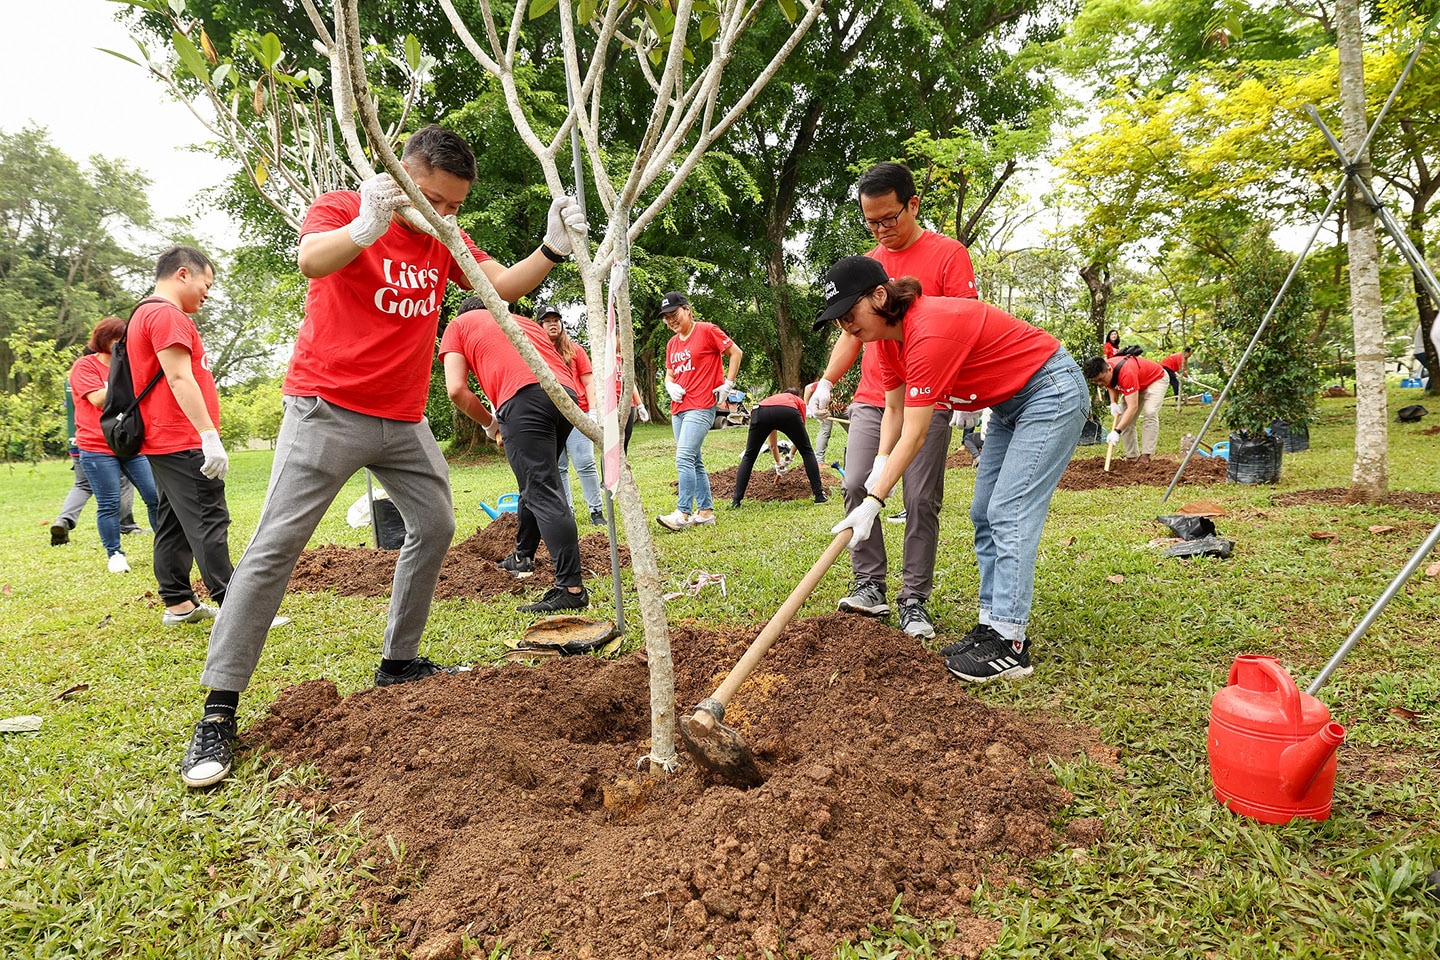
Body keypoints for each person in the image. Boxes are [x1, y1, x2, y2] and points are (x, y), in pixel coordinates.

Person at [179, 125, 587, 790]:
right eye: (432, 199)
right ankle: (220, 708)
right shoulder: (344, 208)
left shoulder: (442, 235)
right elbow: (312, 259)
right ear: (401, 173)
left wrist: (551, 248)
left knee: (437, 524)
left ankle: (399, 661)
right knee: (275, 548)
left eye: (455, 206)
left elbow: (499, 288)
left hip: (401, 422)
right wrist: (368, 225)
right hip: (325, 411)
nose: (442, 214)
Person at [817, 255, 1087, 683]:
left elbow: (918, 432)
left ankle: (1010, 644)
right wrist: (880, 464)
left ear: (880, 296)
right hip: (1006, 403)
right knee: (983, 513)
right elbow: (893, 409)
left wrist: (873, 500)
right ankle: (991, 626)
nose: (847, 327)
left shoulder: (928, 330)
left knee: (1009, 511)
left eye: (851, 315)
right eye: (839, 321)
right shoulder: (886, 341)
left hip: (1048, 391)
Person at [805, 161, 977, 639]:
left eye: (889, 219)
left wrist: (964, 394)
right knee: (858, 480)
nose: (881, 230)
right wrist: (827, 380)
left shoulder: (948, 256)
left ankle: (914, 598)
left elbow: (964, 322)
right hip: (876, 393)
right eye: (871, 221)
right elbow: (853, 332)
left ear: (913, 205)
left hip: (929, 396)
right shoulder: (868, 262)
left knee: (919, 497)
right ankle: (869, 584)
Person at [443, 298, 590, 614]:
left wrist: (490, 424)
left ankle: (571, 588)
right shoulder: (521, 320)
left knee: (542, 489)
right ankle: (522, 558)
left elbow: (456, 389)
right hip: (565, 395)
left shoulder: (459, 325)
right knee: (533, 482)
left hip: (524, 398)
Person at [126, 246, 238, 627]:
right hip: (182, 437)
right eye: (206, 284)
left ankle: (178, 605)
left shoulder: (145, 312)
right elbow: (178, 377)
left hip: (163, 439)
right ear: (183, 274)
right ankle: (238, 608)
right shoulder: (166, 315)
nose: (207, 293)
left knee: (173, 521)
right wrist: (208, 435)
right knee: (209, 518)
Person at [68, 317, 162, 573]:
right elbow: (98, 399)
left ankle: (165, 547)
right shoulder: (85, 366)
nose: (128, 344)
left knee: (155, 497)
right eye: (122, 339)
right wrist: (125, 379)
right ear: (108, 340)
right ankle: (115, 554)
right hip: (96, 446)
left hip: (131, 444)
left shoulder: (132, 365)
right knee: (110, 503)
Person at [657, 292, 742, 531]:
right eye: (666, 318)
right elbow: (670, 372)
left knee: (684, 457)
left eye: (674, 315)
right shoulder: (672, 343)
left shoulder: (707, 330)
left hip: (701, 404)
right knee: (694, 460)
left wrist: (728, 383)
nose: (671, 321)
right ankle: (705, 512)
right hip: (679, 408)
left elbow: (736, 353)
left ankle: (683, 513)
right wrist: (669, 385)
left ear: (687, 310)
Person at [51, 371, 140, 545]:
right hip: (104, 444)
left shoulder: (73, 382)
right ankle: (127, 525)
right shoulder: (105, 383)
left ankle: (64, 520)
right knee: (123, 483)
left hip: (77, 442)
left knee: (82, 485)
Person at [537, 304, 605, 526]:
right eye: (547, 320)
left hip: (578, 412)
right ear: (540, 326)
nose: (553, 324)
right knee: (558, 467)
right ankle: (567, 511)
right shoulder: (535, 353)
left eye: (556, 319)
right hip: (549, 416)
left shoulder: (575, 350)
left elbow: (588, 381)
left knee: (585, 463)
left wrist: (593, 411)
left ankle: (596, 511)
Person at [730, 389, 828, 506]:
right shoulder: (798, 401)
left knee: (749, 456)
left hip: (760, 411)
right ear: (796, 395)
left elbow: (772, 441)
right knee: (807, 451)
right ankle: (819, 496)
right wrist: (790, 456)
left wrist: (779, 461)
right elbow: (800, 442)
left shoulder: (771, 399)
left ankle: (736, 501)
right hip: (788, 412)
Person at [1084, 352, 1168, 463]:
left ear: (1109, 369)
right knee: (1123, 418)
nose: (1100, 383)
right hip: (1136, 382)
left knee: (1150, 412)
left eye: (1101, 379)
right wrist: (1113, 402)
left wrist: (1117, 431)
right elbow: (1110, 383)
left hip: (1155, 380)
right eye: (1096, 381)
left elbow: (1133, 407)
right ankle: (1132, 456)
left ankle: (1145, 455)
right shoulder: (1106, 370)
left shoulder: (1127, 372)